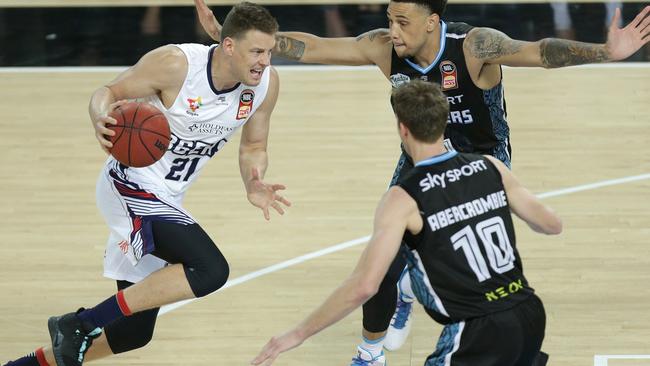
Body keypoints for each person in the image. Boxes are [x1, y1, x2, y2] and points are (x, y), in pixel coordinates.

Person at [193, 1, 649, 364]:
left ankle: (414, 289)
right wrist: (230, 39)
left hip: (482, 158)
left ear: (433, 22)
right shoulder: (382, 47)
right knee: (383, 257)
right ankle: (371, 351)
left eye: (403, 21)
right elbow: (311, 47)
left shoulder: (475, 46)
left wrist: (606, 51)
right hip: (418, 156)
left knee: (459, 261)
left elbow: (542, 52)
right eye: (390, 19)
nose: (394, 30)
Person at [3, 2, 290, 366]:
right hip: (128, 184)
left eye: (269, 51)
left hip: (168, 198)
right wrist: (99, 117)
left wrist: (254, 180)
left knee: (132, 334)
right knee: (211, 269)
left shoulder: (264, 84)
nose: (265, 61)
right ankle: (79, 322)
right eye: (257, 51)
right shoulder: (176, 65)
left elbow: (254, 145)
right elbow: (108, 91)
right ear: (229, 46)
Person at [250, 80, 562, 366]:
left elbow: (365, 285)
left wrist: (297, 334)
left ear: (403, 129)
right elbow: (551, 225)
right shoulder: (490, 166)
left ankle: (407, 289)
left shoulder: (402, 199)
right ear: (444, 123)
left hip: (478, 330)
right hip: (529, 312)